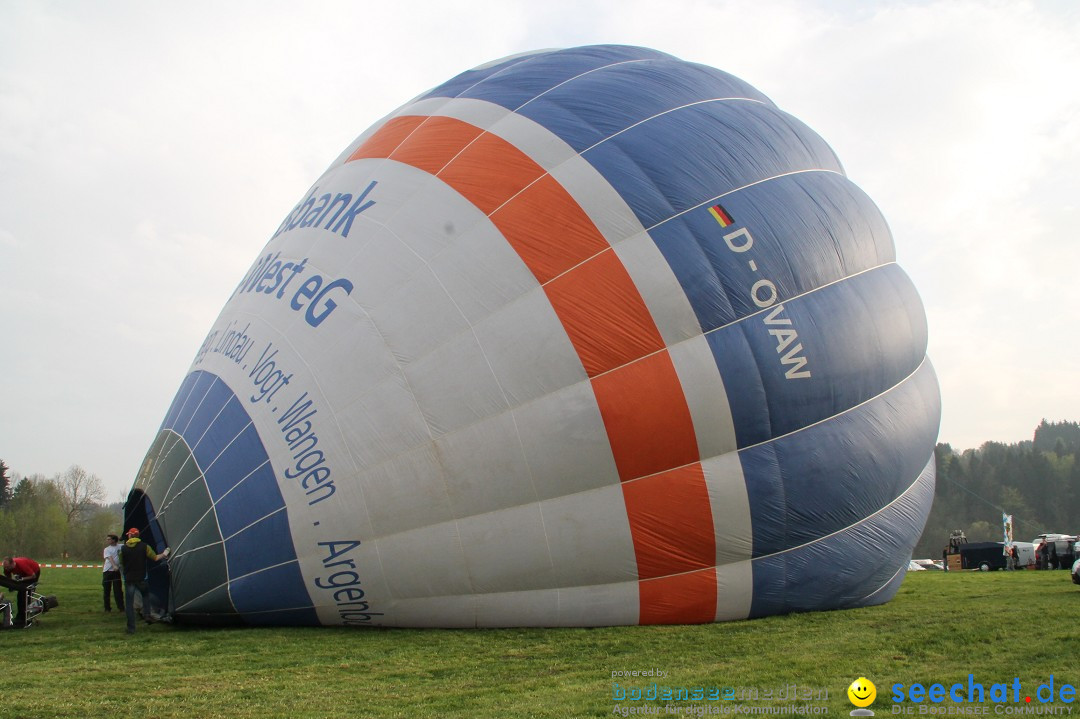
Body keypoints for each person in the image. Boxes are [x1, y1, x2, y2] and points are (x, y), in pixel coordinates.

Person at [119, 528, 169, 635]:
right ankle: (147, 615)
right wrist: (165, 553)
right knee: (145, 596)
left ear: (129, 536)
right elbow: (155, 558)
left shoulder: (123, 549)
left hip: (129, 579)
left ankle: (131, 629)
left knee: (129, 605)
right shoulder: (145, 546)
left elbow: (121, 563)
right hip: (142, 578)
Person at [1, 556, 42, 628]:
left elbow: (33, 576)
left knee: (26, 595)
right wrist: (11, 585)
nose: (6, 569)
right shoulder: (7, 567)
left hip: (33, 572)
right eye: (5, 567)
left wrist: (22, 579)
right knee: (20, 595)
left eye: (7, 567)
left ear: (12, 564)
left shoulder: (22, 564)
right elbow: (8, 578)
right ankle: (19, 617)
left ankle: (25, 617)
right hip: (23, 573)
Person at [102, 534, 124, 612]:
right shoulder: (107, 549)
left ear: (114, 540)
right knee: (107, 590)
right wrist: (114, 566)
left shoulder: (121, 546)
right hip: (107, 571)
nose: (107, 540)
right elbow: (110, 558)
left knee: (118, 590)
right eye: (107, 539)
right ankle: (107, 608)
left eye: (109, 539)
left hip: (116, 572)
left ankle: (121, 607)